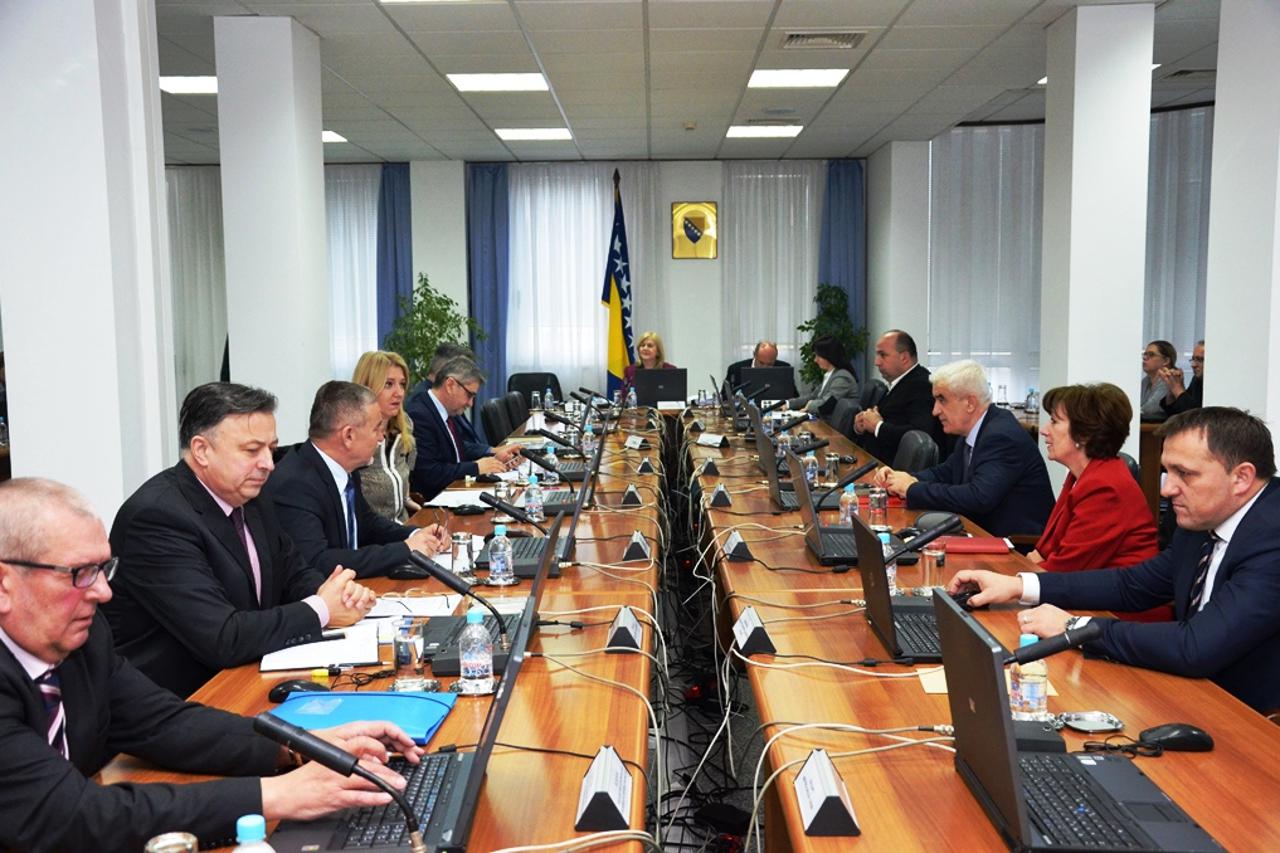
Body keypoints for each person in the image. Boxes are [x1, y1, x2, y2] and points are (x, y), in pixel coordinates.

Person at [0, 478, 421, 851]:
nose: (104, 592)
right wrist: (276, 796)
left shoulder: (84, 637)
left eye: (102, 569)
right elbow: (70, 815)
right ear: (5, 586)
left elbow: (162, 722)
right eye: (79, 573)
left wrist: (301, 745)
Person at [950, 407, 1280, 713]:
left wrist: (1074, 628)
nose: (1167, 490)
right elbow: (1133, 585)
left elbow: (1196, 647)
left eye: (1185, 474)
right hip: (1196, 694)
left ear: (1241, 477)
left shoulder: (1272, 536)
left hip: (1252, 719)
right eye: (1167, 472)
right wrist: (1019, 585)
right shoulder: (1205, 517)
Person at [105, 383, 377, 697]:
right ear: (201, 450)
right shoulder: (156, 518)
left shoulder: (252, 498)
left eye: (271, 449)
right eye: (251, 451)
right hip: (182, 698)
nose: (268, 464)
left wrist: (339, 595)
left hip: (247, 675)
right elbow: (222, 636)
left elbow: (293, 573)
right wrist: (321, 609)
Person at [266, 382, 450, 579]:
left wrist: (415, 535)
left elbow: (367, 523)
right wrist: (405, 550)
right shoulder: (294, 484)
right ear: (348, 436)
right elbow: (318, 561)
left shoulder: (345, 467)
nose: (381, 438)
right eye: (376, 428)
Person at [1031, 383, 1168, 620]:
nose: (1044, 430)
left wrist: (1020, 576)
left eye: (1054, 421)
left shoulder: (1105, 486)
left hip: (1119, 617)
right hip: (1082, 603)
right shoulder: (1081, 475)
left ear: (1084, 435)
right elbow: (1045, 550)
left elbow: (1064, 571)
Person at [874, 359, 1053, 538]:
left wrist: (912, 488)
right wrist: (903, 479)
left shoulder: (1001, 436)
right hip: (982, 534)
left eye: (942, 400)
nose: (935, 411)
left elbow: (978, 497)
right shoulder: (975, 429)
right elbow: (947, 472)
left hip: (1017, 545)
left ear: (970, 403)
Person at [406, 356, 520, 501]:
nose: (470, 403)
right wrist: (476, 467)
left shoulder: (446, 409)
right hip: (437, 503)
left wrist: (493, 457)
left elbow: (456, 448)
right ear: (450, 385)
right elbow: (429, 473)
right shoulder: (419, 415)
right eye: (469, 395)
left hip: (456, 492)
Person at [352, 350, 419, 523]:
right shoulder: (352, 437)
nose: (399, 393)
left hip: (404, 526)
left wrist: (407, 499)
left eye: (402, 384)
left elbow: (408, 471)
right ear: (367, 388)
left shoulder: (405, 425)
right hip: (372, 535)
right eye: (389, 384)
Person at [854, 329, 941, 461]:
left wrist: (878, 427)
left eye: (883, 355)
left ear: (904, 358)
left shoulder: (922, 385)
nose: (877, 362)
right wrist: (863, 424)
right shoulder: (899, 381)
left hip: (892, 468)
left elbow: (920, 436)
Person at [785, 335, 858, 415]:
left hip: (830, 422)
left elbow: (827, 405)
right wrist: (788, 404)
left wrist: (810, 406)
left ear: (829, 356)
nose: (815, 360)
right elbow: (813, 396)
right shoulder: (830, 374)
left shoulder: (842, 378)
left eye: (818, 356)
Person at [724, 339, 791, 392]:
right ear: (754, 355)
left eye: (769, 364)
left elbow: (793, 397)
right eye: (761, 363)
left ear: (775, 358)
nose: (765, 368)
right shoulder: (735, 370)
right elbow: (725, 398)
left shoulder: (785, 370)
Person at [1160, 340, 1205, 417]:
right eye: (1193, 359)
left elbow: (1195, 416)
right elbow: (1176, 412)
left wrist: (1178, 389)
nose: (1193, 365)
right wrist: (1172, 389)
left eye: (1200, 360)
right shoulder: (1197, 380)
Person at [1139, 339, 1177, 419]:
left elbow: (1151, 409)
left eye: (1151, 355)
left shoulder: (1169, 380)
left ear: (1166, 361)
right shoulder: (1145, 380)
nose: (1145, 358)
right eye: (1145, 354)